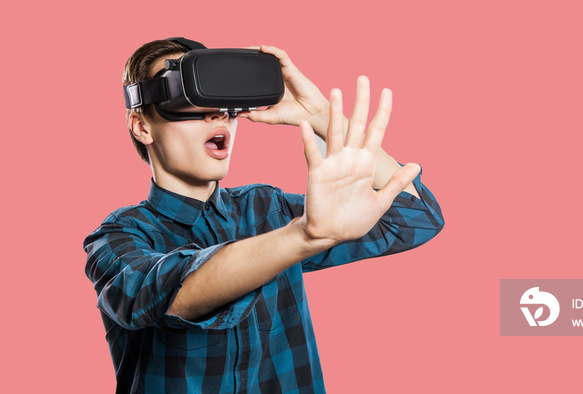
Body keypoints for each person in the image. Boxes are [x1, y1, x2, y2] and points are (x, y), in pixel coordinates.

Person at [84, 38, 444, 394]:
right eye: (186, 98)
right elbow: (171, 294)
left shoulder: (266, 209)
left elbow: (415, 216)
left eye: (218, 98)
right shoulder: (116, 239)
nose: (215, 113)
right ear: (142, 125)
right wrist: (301, 238)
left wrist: (317, 116)